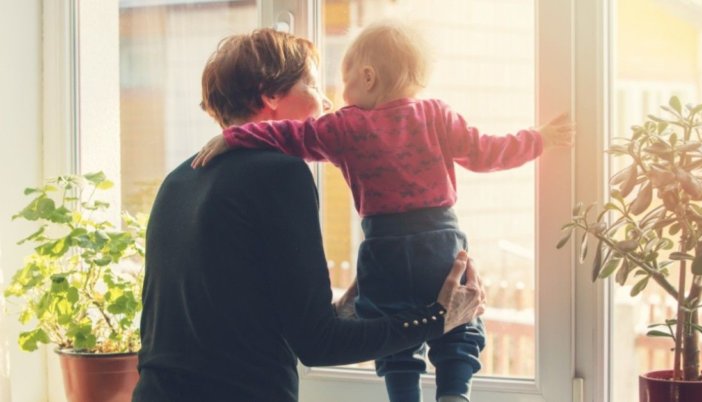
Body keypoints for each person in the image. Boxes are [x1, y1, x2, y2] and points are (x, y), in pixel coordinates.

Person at [191, 21, 575, 402]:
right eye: (314, 84)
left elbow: (291, 136)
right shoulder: (436, 115)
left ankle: (403, 394)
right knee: (462, 316)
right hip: (440, 242)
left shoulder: (344, 127)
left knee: (389, 327)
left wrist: (232, 136)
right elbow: (487, 151)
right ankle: (455, 392)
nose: (332, 99)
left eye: (343, 80)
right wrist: (538, 139)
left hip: (383, 247)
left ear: (369, 77)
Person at [132, 28, 485, 402]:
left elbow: (238, 321)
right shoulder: (278, 172)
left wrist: (357, 301)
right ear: (270, 94)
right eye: (314, 87)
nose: (327, 105)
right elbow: (319, 345)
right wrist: (440, 317)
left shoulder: (178, 180)